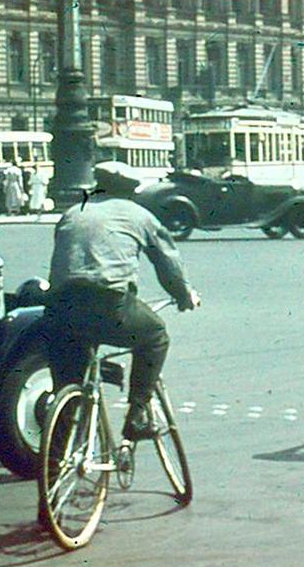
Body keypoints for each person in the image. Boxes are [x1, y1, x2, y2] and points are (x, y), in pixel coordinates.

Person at [46, 161, 200, 440]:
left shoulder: (72, 213)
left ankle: (57, 456)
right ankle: (137, 414)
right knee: (155, 336)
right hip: (108, 305)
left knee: (68, 384)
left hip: (59, 308)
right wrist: (184, 295)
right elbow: (168, 264)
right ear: (131, 191)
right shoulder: (139, 216)